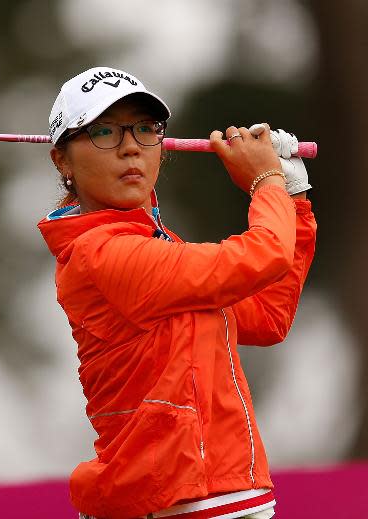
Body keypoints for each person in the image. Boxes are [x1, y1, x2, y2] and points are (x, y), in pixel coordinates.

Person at [37, 67, 316, 519]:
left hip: (223, 495)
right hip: (172, 503)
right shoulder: (100, 254)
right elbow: (265, 254)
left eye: (145, 129)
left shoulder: (162, 247)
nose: (130, 146)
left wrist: (295, 198)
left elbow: (267, 317)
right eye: (104, 131)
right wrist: (266, 183)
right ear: (62, 161)